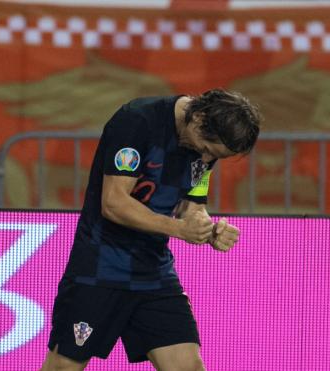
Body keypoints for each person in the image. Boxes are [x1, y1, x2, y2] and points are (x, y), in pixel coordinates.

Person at [41, 88, 261, 371]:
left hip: (154, 272)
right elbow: (113, 203)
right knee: (63, 366)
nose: (206, 159)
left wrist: (206, 228)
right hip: (100, 266)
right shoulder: (137, 122)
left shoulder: (209, 142)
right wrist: (179, 229)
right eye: (206, 149)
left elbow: (192, 203)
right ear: (199, 118)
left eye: (214, 156)